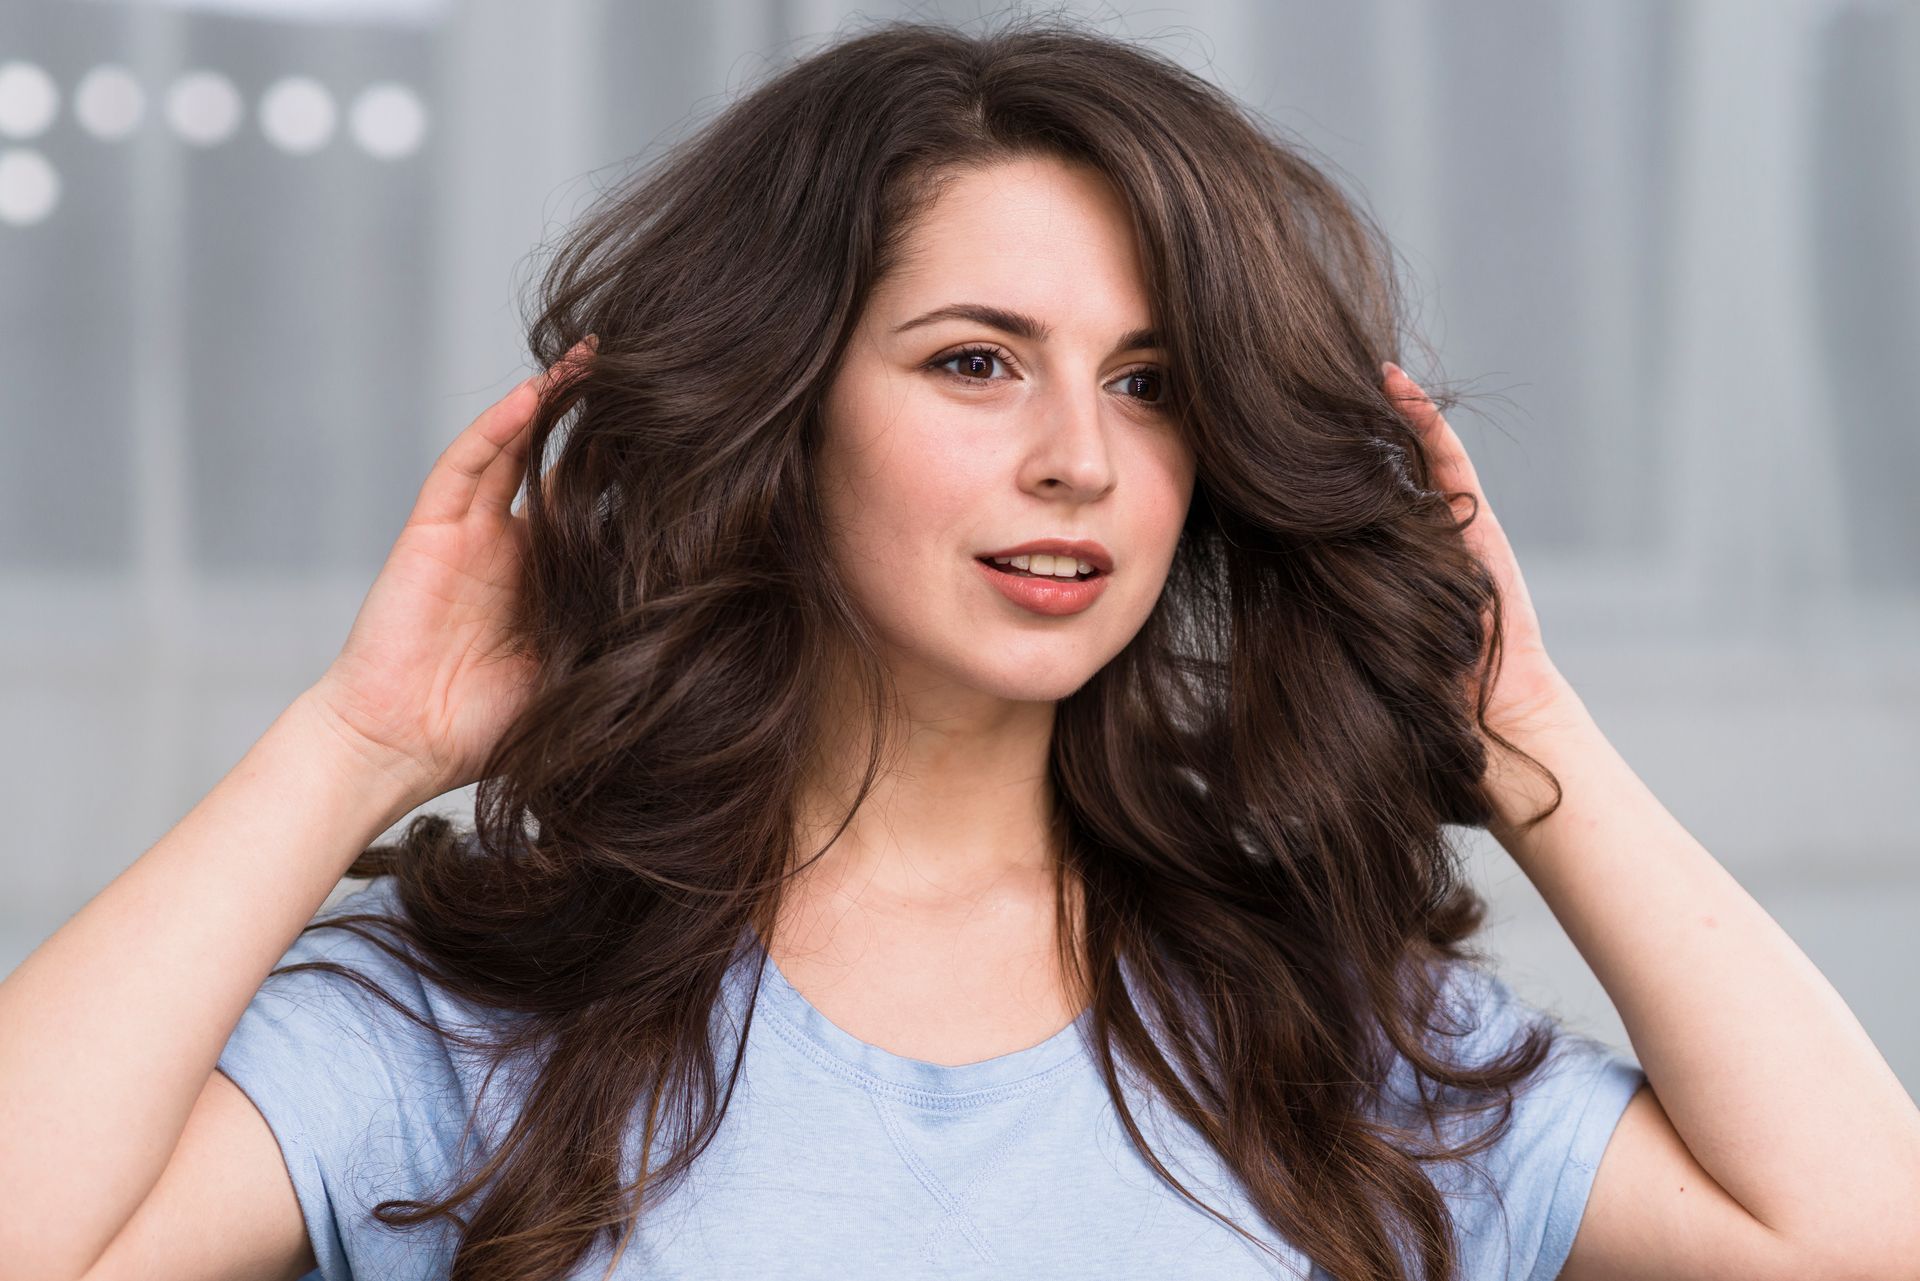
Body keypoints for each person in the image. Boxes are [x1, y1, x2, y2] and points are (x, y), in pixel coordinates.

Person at [4, 15, 1917, 1281]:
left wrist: (1523, 726)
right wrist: (359, 739)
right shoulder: (478, 1001)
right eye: (975, 362)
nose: (1080, 457)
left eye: (1152, 384)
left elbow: (1864, 1240)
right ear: (785, 410)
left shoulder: (1315, 1025)